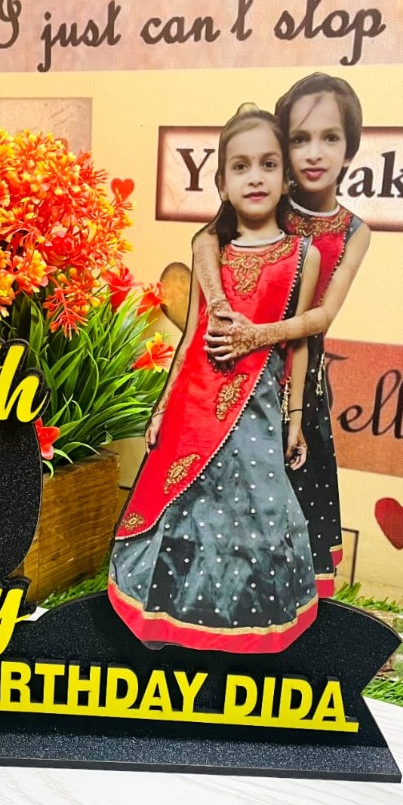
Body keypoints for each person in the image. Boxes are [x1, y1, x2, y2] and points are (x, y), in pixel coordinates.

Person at [108, 104, 321, 653]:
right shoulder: (211, 249)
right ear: (222, 183)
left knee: (257, 512)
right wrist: (161, 408)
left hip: (258, 405)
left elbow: (299, 342)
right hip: (194, 405)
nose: (256, 178)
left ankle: (243, 629)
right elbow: (190, 336)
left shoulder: (304, 255)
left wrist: (295, 419)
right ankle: (174, 622)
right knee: (187, 511)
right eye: (241, 167)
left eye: (268, 165)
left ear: (287, 177)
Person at [195, 74, 371, 596]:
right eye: (299, 139)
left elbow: (322, 317)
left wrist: (259, 334)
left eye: (330, 137)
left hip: (299, 379)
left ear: (350, 148)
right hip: (236, 376)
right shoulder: (267, 197)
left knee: (294, 493)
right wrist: (221, 306)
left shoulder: (354, 231)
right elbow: (206, 238)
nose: (314, 153)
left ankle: (292, 609)